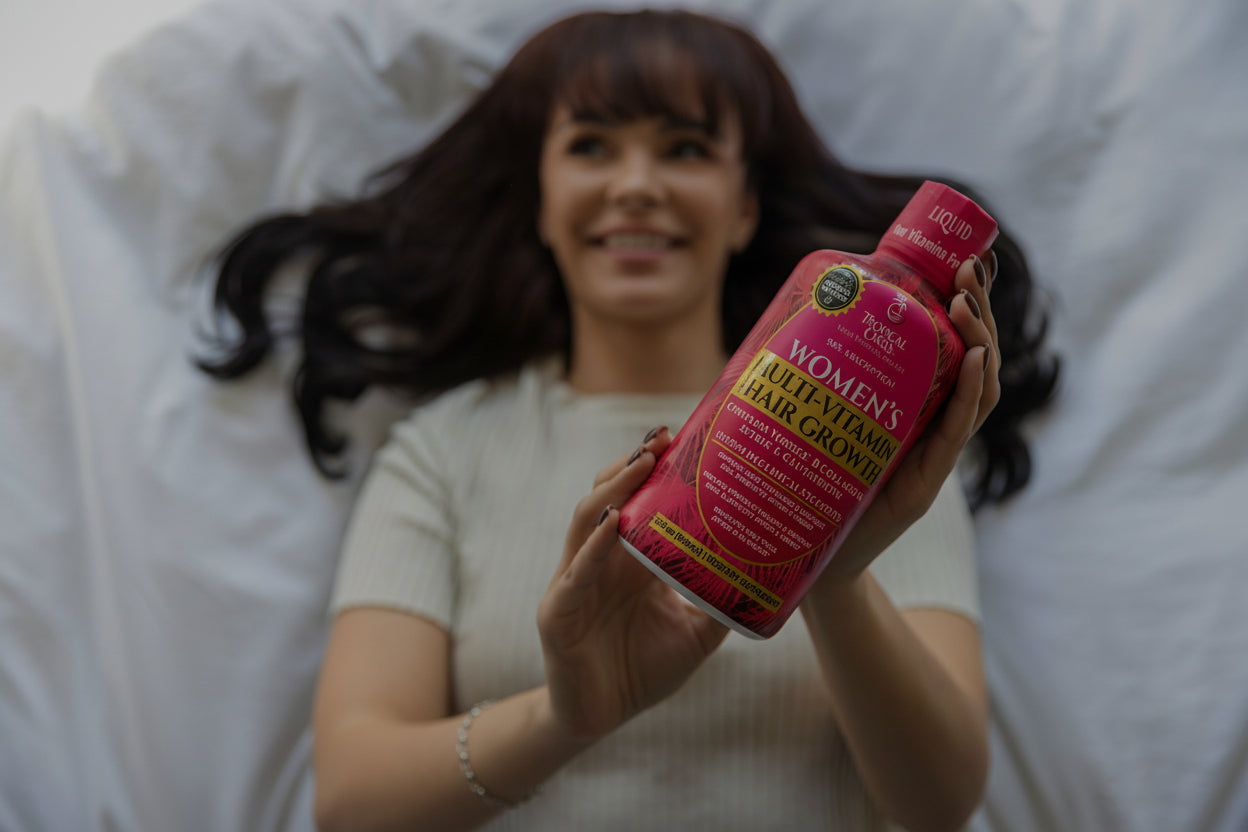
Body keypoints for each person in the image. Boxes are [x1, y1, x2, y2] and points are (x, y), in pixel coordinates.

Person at [198, 8, 1057, 831]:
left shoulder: (880, 439)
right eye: (591, 147)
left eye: (684, 149)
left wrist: (831, 570)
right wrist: (567, 719)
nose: (636, 186)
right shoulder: (442, 453)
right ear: (541, 200)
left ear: (744, 208)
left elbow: (941, 804)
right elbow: (351, 803)